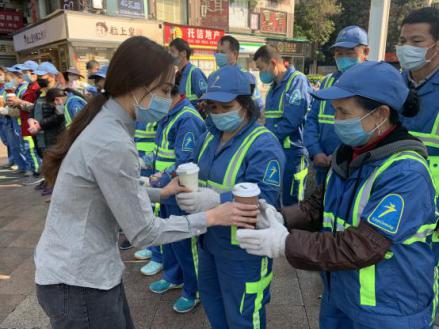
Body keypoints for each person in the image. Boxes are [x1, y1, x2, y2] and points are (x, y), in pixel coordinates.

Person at [34, 36, 259, 328]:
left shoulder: (107, 123)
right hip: (79, 281)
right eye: (165, 90)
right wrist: (211, 217)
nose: (169, 98)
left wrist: (160, 192)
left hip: (82, 272)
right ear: (139, 86)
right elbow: (144, 232)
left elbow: (114, 187)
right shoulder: (112, 140)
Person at [237, 61, 438, 329]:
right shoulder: (348, 153)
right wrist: (279, 217)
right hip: (341, 292)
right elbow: (317, 205)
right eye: (334, 111)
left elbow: (363, 245)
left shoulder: (405, 172)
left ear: (379, 115)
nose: (336, 120)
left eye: (343, 112)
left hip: (389, 307)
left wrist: (285, 243)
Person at [175, 65, 286, 328]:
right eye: (212, 108)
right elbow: (190, 166)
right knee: (215, 307)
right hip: (209, 242)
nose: (218, 114)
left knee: (244, 317)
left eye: (226, 107)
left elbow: (265, 202)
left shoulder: (263, 143)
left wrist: (215, 200)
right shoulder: (209, 138)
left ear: (245, 105)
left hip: (243, 251)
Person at [148, 84, 206, 313]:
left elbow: (185, 158)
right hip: (164, 190)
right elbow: (161, 150)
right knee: (169, 238)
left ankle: (194, 290)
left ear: (169, 93)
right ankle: (174, 277)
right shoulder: (168, 115)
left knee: (184, 243)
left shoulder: (187, 118)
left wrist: (164, 175)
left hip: (178, 190)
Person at [304, 26, 369, 185]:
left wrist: (342, 154)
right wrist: (315, 151)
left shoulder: (371, 83)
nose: (343, 58)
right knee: (322, 205)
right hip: (323, 163)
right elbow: (311, 119)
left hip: (353, 164)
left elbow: (373, 127)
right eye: (339, 54)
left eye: (350, 53)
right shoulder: (327, 82)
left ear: (365, 52)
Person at [254, 45, 312, 206]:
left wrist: (265, 137)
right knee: (277, 197)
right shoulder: (273, 88)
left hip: (293, 153)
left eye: (261, 68)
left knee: (293, 201)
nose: (260, 73)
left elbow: (292, 120)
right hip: (277, 150)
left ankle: (294, 231)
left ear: (273, 63)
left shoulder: (297, 81)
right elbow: (270, 120)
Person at [8, 60, 42, 185]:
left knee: (32, 150)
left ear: (33, 73)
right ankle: (34, 172)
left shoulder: (36, 88)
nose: (23, 75)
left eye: (25, 72)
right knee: (29, 149)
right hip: (25, 124)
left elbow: (36, 107)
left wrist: (19, 102)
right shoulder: (29, 86)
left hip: (32, 125)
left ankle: (37, 173)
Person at [214, 35, 264, 111]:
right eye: (217, 52)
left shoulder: (245, 77)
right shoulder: (214, 76)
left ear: (234, 54)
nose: (218, 55)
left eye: (222, 52)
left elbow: (257, 106)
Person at [169, 38, 207, 106]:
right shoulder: (177, 75)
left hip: (192, 115)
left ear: (184, 53)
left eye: (172, 51)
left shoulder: (195, 72)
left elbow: (205, 98)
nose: (170, 55)